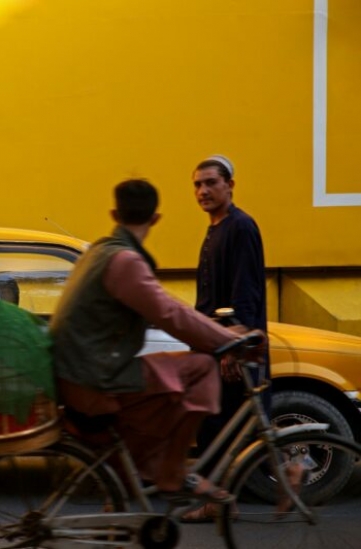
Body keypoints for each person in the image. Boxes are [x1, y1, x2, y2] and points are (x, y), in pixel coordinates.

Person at [51, 179, 262, 505]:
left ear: (114, 214)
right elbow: (169, 313)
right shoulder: (125, 261)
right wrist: (228, 339)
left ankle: (133, 487)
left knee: (166, 379)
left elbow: (167, 305)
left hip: (77, 375)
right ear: (155, 218)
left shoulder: (99, 252)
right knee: (201, 368)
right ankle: (172, 471)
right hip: (95, 379)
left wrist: (214, 331)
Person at [189, 154, 271, 520]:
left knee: (236, 425)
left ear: (230, 185)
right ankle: (218, 503)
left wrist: (232, 347)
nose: (203, 191)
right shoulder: (215, 229)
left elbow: (245, 292)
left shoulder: (241, 227)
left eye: (211, 183)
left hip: (232, 347)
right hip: (216, 344)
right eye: (197, 184)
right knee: (215, 424)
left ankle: (291, 467)